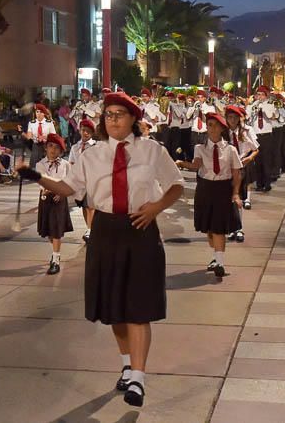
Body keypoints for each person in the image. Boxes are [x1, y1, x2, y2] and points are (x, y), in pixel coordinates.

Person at [17, 92, 183, 408]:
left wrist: (156, 207)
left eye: (120, 114)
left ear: (134, 118)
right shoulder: (91, 157)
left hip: (140, 228)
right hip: (106, 231)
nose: (114, 119)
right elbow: (69, 189)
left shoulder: (151, 151)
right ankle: (126, 363)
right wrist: (37, 176)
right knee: (114, 309)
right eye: (109, 114)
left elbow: (176, 185)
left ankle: (138, 377)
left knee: (139, 307)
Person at [177, 113, 243, 278]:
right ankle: (216, 257)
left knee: (218, 227)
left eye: (215, 125)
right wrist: (181, 163)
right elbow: (196, 165)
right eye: (209, 125)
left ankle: (220, 262)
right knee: (209, 228)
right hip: (205, 189)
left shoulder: (230, 149)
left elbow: (236, 173)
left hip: (222, 189)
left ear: (222, 128)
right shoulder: (199, 148)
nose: (211, 128)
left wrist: (236, 194)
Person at [35, 133, 73, 275]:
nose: (53, 150)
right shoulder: (40, 164)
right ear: (46, 148)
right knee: (48, 232)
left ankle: (55, 259)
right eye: (50, 146)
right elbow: (42, 181)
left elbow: (69, 180)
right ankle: (55, 250)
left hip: (59, 199)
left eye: (57, 148)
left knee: (56, 230)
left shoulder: (65, 164)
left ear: (61, 151)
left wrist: (62, 193)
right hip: (46, 199)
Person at [225, 105, 259, 239]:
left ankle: (239, 228)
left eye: (235, 117)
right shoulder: (223, 132)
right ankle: (232, 227)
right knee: (229, 197)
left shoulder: (246, 131)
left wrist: (249, 158)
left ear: (239, 118)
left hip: (242, 164)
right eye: (229, 117)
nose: (232, 120)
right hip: (227, 166)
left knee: (239, 197)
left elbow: (256, 148)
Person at [67, 118, 97, 242]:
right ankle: (89, 228)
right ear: (80, 130)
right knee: (84, 207)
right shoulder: (75, 147)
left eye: (88, 131)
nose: (85, 133)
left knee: (90, 206)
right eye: (83, 130)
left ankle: (91, 230)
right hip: (80, 182)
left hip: (92, 181)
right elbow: (71, 163)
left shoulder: (96, 146)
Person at [247, 86, 275, 193]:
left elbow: (271, 116)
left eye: (262, 95)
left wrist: (263, 108)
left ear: (266, 95)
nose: (259, 97)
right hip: (256, 135)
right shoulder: (253, 105)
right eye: (258, 94)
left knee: (266, 160)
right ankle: (259, 183)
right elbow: (248, 118)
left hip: (266, 134)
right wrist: (252, 107)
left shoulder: (270, 105)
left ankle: (267, 184)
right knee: (257, 161)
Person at [20, 103, 56, 168]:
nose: (38, 114)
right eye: (37, 112)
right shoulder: (31, 123)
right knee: (34, 166)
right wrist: (21, 132)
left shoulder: (49, 123)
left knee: (46, 167)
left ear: (44, 113)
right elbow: (29, 137)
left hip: (46, 147)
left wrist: (45, 137)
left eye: (41, 112)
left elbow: (53, 136)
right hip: (36, 146)